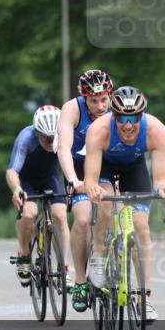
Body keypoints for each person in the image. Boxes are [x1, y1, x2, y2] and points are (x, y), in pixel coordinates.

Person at [83, 85, 165, 323]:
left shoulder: (156, 131)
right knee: (104, 205)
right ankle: (98, 253)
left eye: (134, 118)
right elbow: (90, 179)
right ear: (113, 117)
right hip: (105, 167)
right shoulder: (98, 131)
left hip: (134, 169)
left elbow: (160, 179)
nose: (128, 125)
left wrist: (164, 189)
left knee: (140, 227)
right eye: (122, 118)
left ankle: (143, 299)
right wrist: (93, 188)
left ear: (141, 116)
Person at [57, 69, 114, 312]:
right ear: (84, 98)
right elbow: (63, 146)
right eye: (94, 100)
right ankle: (80, 280)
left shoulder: (116, 108)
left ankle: (106, 257)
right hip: (79, 165)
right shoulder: (72, 109)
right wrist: (71, 178)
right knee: (81, 219)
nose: (100, 106)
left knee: (109, 210)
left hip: (107, 164)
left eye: (104, 99)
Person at [5, 105, 69, 286]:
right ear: (37, 132)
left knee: (60, 215)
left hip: (50, 178)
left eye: (53, 138)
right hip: (27, 181)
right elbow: (12, 171)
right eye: (45, 138)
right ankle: (24, 255)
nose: (50, 143)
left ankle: (63, 268)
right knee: (29, 213)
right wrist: (17, 189)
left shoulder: (65, 135)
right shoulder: (26, 137)